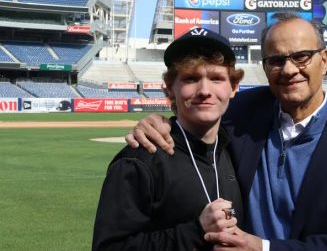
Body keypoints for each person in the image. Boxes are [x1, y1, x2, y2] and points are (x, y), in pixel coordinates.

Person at [126, 12, 327, 250]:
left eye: (301, 57)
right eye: (276, 60)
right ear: (265, 67)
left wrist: (264, 249)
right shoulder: (242, 111)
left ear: (324, 60)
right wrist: (164, 123)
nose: (289, 69)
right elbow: (197, 111)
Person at [92, 28, 245, 251]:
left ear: (233, 87)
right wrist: (196, 231)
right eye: (191, 79)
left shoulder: (233, 148)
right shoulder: (140, 159)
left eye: (216, 78)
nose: (204, 90)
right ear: (170, 90)